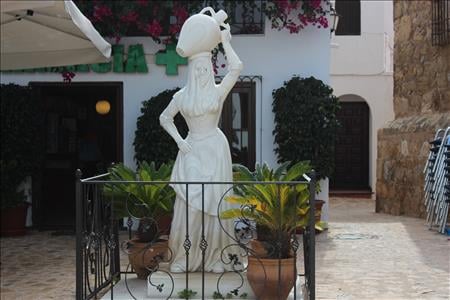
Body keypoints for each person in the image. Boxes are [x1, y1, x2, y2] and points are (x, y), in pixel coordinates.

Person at [159, 27, 243, 273]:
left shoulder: (218, 93)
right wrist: (178, 140)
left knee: (216, 205)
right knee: (190, 206)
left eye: (207, 68)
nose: (204, 72)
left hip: (215, 150)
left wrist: (225, 42)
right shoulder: (182, 97)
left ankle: (217, 257)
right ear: (192, 72)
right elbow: (165, 118)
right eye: (199, 69)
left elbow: (236, 68)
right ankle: (185, 257)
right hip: (191, 150)